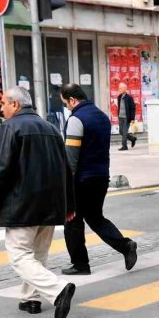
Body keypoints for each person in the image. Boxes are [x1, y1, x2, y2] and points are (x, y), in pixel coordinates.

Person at [0, 87, 77, 318]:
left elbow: (1, 169)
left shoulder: (10, 127)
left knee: (19, 255)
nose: (1, 108)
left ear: (15, 104)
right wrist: (68, 205)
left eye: (3, 103)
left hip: (21, 203)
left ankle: (57, 289)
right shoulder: (51, 128)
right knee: (38, 254)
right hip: (51, 203)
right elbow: (66, 170)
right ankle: (31, 298)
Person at [60, 83, 138, 275]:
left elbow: (71, 157)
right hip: (101, 176)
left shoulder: (76, 119)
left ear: (72, 100)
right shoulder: (102, 117)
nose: (67, 108)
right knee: (95, 217)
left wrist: (64, 183)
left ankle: (80, 264)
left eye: (66, 104)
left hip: (81, 179)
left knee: (72, 221)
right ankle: (125, 246)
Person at [115, 82, 137, 151]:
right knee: (121, 132)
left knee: (124, 132)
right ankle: (132, 138)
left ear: (125, 89)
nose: (119, 89)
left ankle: (124, 146)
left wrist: (132, 118)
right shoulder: (119, 97)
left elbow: (133, 108)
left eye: (121, 88)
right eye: (119, 88)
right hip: (120, 117)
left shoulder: (129, 98)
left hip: (126, 117)